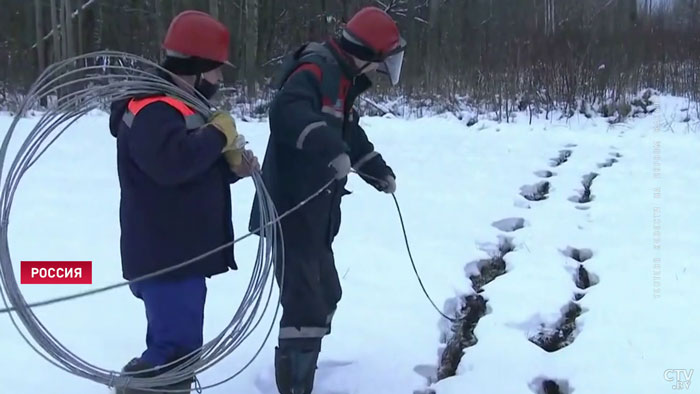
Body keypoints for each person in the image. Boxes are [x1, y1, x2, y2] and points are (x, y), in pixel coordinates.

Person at [249, 6, 407, 394]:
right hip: (290, 208)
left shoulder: (342, 80)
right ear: (367, 53)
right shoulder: (317, 70)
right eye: (381, 63)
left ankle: (305, 365)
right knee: (306, 306)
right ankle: (294, 385)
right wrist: (327, 150)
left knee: (326, 294)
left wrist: (376, 171)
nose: (380, 73)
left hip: (316, 214)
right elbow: (286, 114)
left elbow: (347, 133)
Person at [108, 10, 259, 393]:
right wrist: (216, 136)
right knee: (175, 352)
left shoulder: (178, 105)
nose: (219, 80)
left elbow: (186, 171)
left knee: (177, 346)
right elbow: (170, 164)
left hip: (177, 253)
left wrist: (231, 170)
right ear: (194, 68)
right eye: (215, 71)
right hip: (167, 256)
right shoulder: (154, 109)